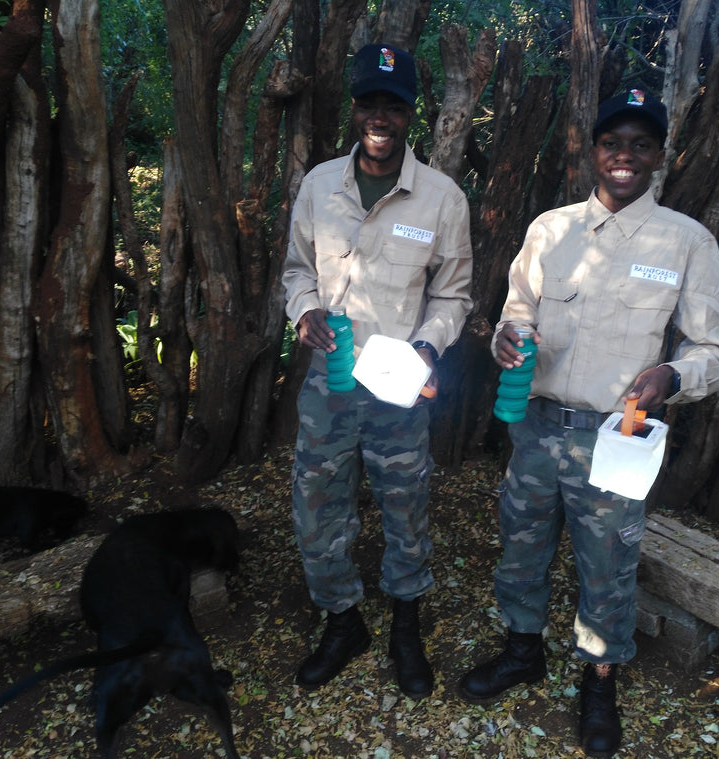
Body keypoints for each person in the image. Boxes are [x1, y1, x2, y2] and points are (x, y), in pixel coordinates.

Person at [458, 88, 719, 756]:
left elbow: (716, 355)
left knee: (608, 565)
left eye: (641, 144)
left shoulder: (686, 242)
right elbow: (518, 309)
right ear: (593, 149)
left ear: (658, 156)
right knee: (521, 547)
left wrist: (672, 376)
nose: (625, 156)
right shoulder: (551, 229)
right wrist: (507, 336)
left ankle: (599, 678)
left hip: (616, 439)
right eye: (613, 142)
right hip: (536, 425)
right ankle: (523, 648)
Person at [281, 43, 473, 700]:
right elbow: (298, 270)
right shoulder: (318, 187)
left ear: (410, 113)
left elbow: (454, 295)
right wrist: (304, 310)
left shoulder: (442, 199)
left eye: (394, 104)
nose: (381, 116)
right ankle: (342, 621)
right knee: (316, 506)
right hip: (330, 380)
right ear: (355, 107)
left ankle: (405, 625)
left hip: (397, 384)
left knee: (406, 507)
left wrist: (427, 347)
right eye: (371, 102)